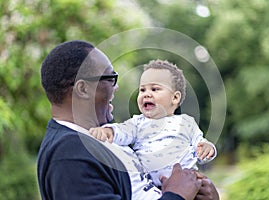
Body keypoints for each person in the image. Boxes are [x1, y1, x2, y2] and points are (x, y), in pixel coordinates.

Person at [37, 40, 220, 200]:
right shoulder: (68, 155)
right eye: (110, 79)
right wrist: (177, 195)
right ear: (83, 89)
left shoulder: (101, 139)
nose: (115, 88)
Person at [89, 59, 217, 186]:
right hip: (152, 187)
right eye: (142, 90)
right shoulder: (137, 123)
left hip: (186, 184)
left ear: (175, 97)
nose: (147, 94)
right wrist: (108, 131)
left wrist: (207, 148)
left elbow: (199, 146)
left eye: (155, 89)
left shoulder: (186, 122)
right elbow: (122, 131)